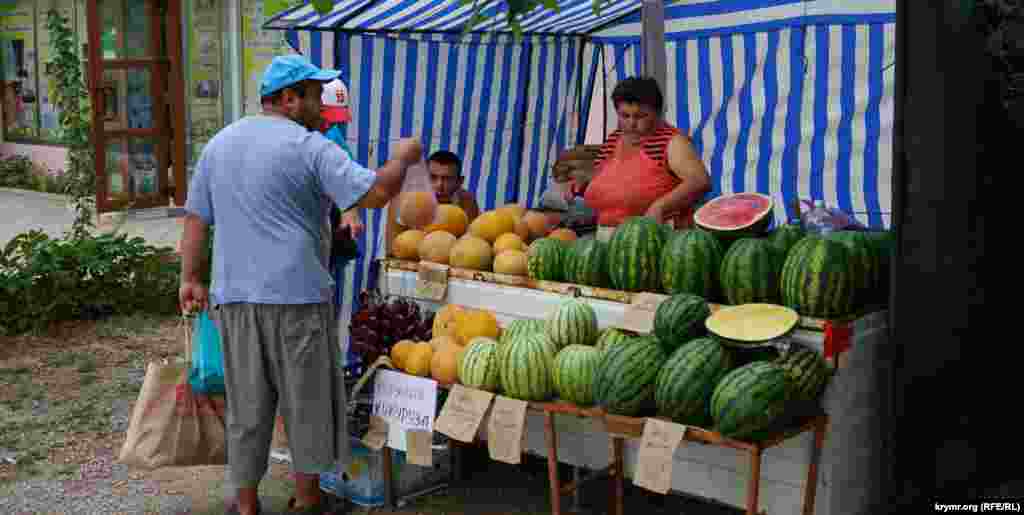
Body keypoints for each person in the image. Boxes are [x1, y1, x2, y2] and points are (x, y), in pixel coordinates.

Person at [177, 54, 422, 515]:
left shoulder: (221, 143)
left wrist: (190, 278)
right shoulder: (310, 147)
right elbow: (373, 193)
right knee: (306, 403)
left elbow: (196, 218)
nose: (321, 102)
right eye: (314, 93)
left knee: (247, 408)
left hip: (236, 300)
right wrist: (402, 159)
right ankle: (308, 501)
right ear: (289, 99)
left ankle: (246, 505)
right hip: (297, 300)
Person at [568, 76, 711, 236]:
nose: (631, 123)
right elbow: (603, 175)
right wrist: (583, 182)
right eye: (624, 116)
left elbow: (699, 181)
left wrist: (660, 207)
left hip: (657, 237)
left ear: (657, 113)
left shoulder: (672, 142)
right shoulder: (614, 139)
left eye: (640, 116)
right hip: (608, 237)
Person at [384, 149, 479, 251]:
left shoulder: (466, 201)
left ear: (459, 182)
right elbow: (393, 249)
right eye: (432, 177)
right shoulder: (404, 201)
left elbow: (470, 244)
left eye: (447, 179)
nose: (439, 185)